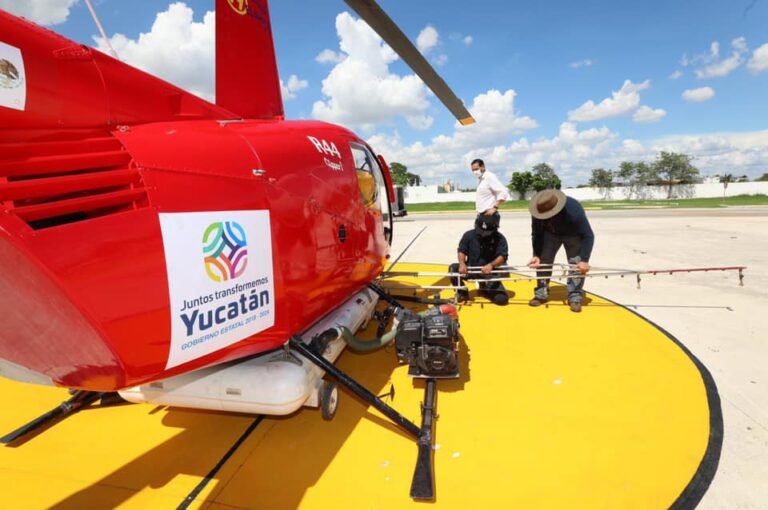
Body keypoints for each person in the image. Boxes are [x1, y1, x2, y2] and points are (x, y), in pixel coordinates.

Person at [527, 189, 595, 313]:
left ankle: (574, 297)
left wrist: (584, 260)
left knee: (576, 264)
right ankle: (541, 294)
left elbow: (588, 236)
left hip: (573, 234)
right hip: (550, 234)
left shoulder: (574, 211)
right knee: (543, 262)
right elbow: (536, 234)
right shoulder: (538, 210)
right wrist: (536, 254)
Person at [449, 214, 509, 305]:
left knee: (501, 300)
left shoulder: (500, 239)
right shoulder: (468, 235)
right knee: (453, 269)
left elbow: (503, 256)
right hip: (471, 269)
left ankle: (485, 289)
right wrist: (462, 263)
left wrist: (491, 265)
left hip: (489, 273)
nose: (482, 234)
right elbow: (461, 250)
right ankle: (462, 293)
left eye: (486, 232)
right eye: (480, 231)